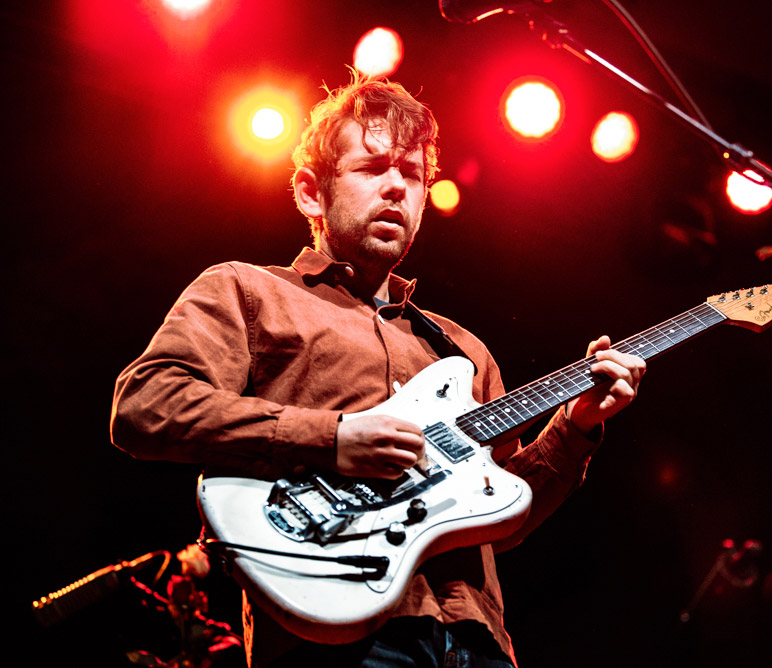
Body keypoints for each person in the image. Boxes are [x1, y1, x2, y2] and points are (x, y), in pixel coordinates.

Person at [111, 71, 645, 668]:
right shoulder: (248, 290)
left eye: (412, 175)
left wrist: (573, 429)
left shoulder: (464, 351)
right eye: (371, 168)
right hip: (331, 634)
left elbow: (501, 519)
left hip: (477, 641)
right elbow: (146, 404)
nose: (396, 188)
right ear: (311, 193)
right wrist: (332, 438)